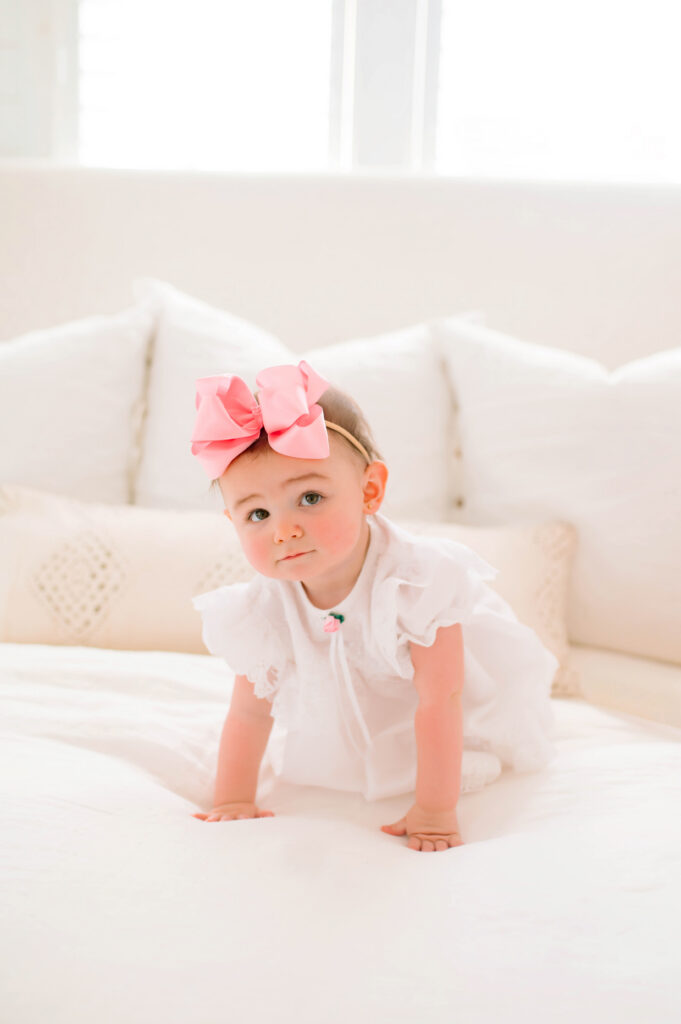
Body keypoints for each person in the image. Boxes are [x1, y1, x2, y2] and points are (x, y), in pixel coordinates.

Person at [189, 359, 559, 853]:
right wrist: (234, 798)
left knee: (461, 725)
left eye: (310, 498)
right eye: (257, 513)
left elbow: (440, 700)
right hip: (351, 716)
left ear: (370, 490)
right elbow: (250, 713)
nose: (283, 530)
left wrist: (434, 811)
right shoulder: (265, 607)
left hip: (441, 719)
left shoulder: (418, 584)